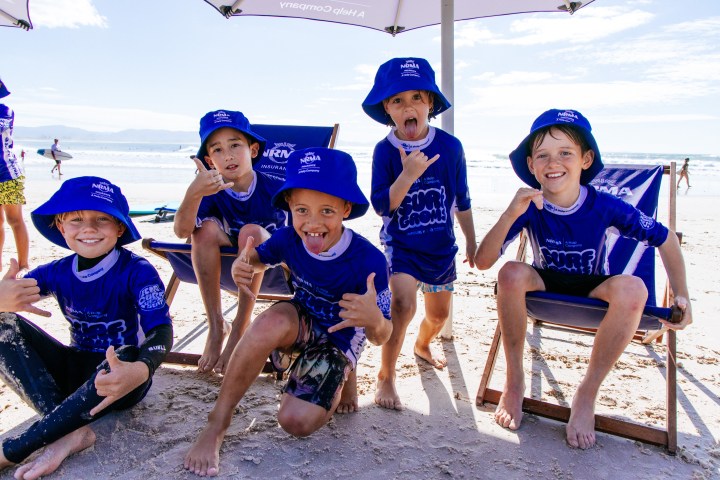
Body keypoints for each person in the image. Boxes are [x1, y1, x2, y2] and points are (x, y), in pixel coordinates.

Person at [474, 109, 692, 449]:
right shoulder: (529, 205)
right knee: (511, 272)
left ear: (585, 159)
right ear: (531, 166)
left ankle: (587, 394)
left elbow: (666, 239)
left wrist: (682, 294)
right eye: (543, 155)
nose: (553, 163)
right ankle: (514, 381)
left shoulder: (605, 206)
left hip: (592, 292)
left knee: (634, 287)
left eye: (565, 153)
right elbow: (483, 261)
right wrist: (509, 214)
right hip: (543, 287)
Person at [184, 147, 392, 477]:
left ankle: (342, 375)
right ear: (289, 209)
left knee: (294, 422)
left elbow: (383, 337)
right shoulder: (288, 239)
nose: (312, 223)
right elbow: (257, 258)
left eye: (326, 211)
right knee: (268, 323)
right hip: (302, 321)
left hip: (340, 338)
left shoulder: (369, 261)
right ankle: (217, 423)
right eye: (301, 210)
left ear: (345, 209)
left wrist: (374, 320)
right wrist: (242, 264)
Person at [0, 176, 173, 478]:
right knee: (2, 322)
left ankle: (14, 449)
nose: (89, 229)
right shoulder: (57, 272)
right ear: (60, 226)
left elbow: (161, 330)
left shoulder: (136, 270)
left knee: (126, 351)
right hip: (74, 370)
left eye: (102, 220)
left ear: (120, 228)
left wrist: (143, 369)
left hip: (122, 377)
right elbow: (12, 297)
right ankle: (70, 432)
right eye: (76, 220)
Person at [361, 57, 476, 411]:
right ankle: (386, 375)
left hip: (440, 248)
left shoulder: (450, 147)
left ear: (430, 103)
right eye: (397, 100)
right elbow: (382, 206)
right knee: (403, 304)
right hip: (402, 246)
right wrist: (407, 174)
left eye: (415, 98)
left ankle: (423, 345)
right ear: (387, 109)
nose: (408, 106)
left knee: (438, 316)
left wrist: (471, 240)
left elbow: (462, 199)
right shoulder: (384, 152)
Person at [174, 110, 287, 374]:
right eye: (217, 150)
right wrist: (194, 193)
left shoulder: (277, 188)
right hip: (224, 266)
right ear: (210, 161)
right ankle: (216, 326)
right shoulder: (210, 191)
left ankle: (240, 325)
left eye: (235, 145)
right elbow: (181, 232)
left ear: (254, 149)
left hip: (273, 265)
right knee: (203, 231)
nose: (228, 156)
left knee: (251, 232)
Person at [0, 77, 30, 272]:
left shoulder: (5, 112)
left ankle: (24, 265)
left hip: (8, 173)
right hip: (8, 171)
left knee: (14, 220)